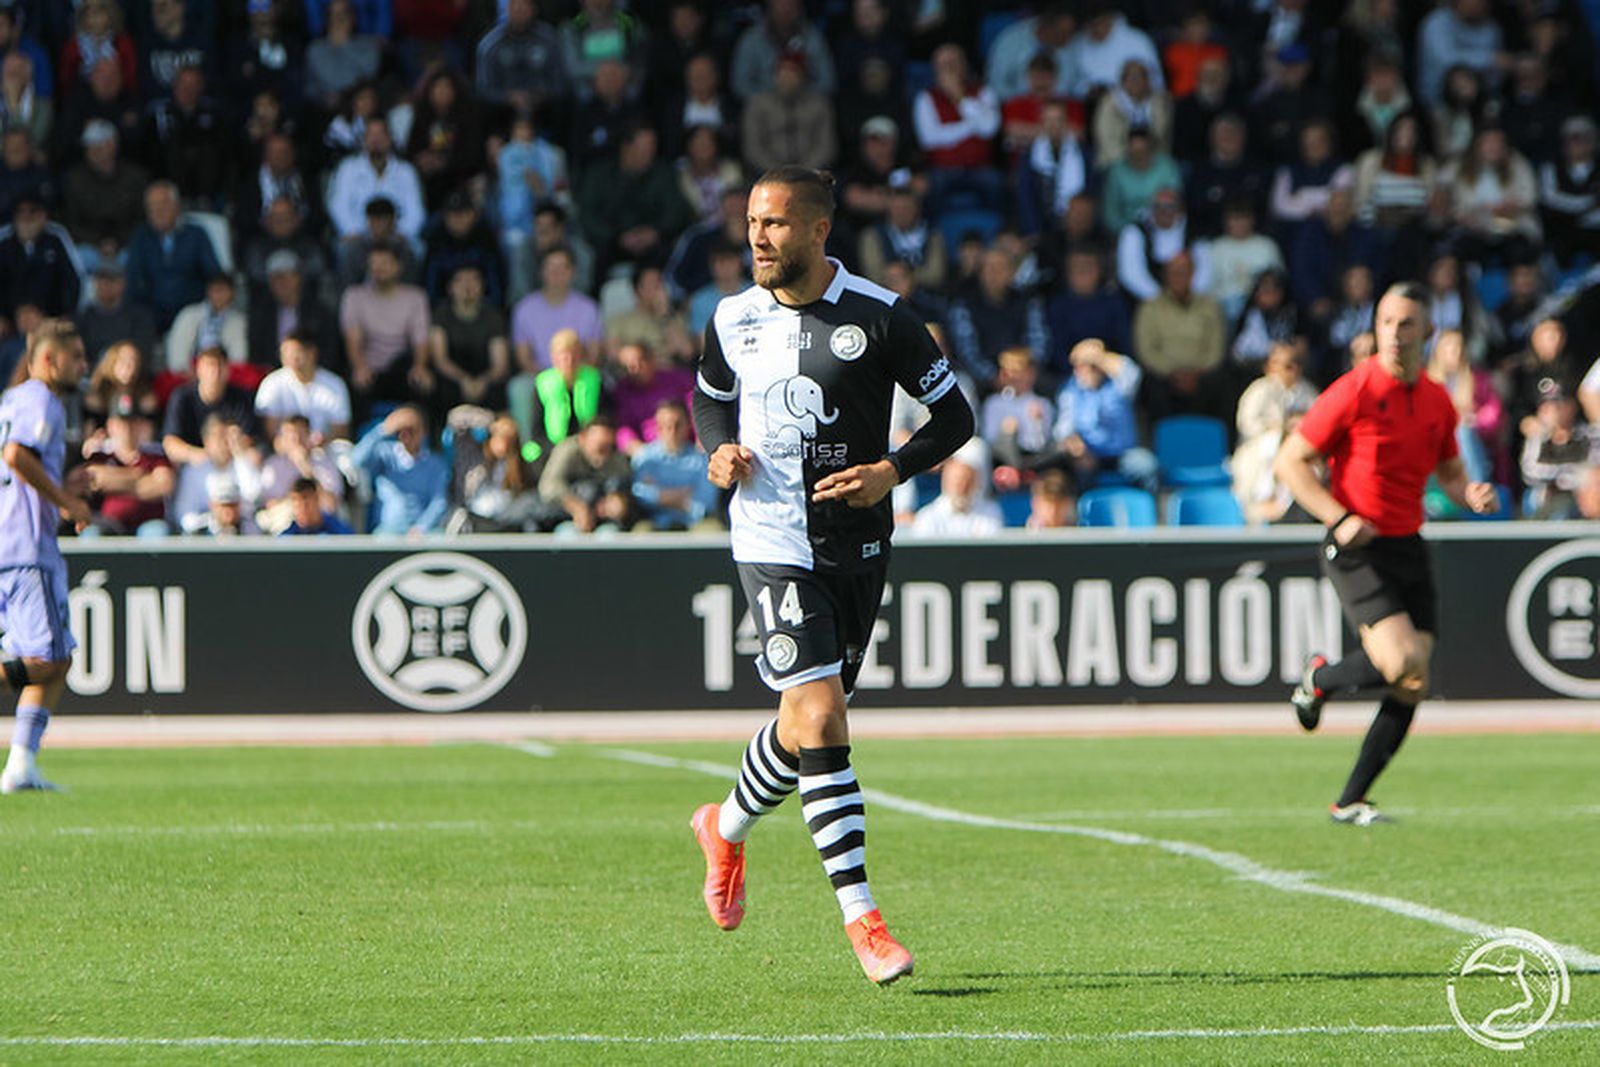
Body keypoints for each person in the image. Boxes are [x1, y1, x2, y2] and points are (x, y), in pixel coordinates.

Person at [688, 166, 973, 985]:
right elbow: (711, 395)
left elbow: (955, 416)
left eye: (775, 224)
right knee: (823, 713)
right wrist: (719, 447)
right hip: (770, 536)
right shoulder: (732, 316)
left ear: (818, 231)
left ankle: (725, 824)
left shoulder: (882, 317)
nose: (758, 238)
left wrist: (893, 470)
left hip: (857, 543)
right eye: (751, 222)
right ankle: (864, 920)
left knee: (804, 721)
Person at [1276, 282, 1498, 826]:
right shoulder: (1353, 390)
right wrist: (1338, 517)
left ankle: (1349, 800)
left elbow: (1447, 469)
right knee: (1400, 661)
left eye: (1406, 324)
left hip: (1407, 543)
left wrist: (1467, 490)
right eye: (1386, 322)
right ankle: (1317, 680)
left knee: (1414, 680)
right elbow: (1291, 462)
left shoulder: (1436, 401)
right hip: (1357, 546)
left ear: (1427, 332)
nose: (1395, 334)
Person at [0, 319, 90, 793]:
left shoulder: (12, 399)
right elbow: (16, 455)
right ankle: (19, 764)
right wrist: (66, 501)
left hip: (12, 540)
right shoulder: (41, 400)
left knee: (59, 657)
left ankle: (20, 764)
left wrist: (63, 486)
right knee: (47, 658)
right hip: (26, 546)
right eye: (76, 357)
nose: (84, 365)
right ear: (50, 360)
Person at [349, 405, 450, 535]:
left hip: (424, 531)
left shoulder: (436, 464)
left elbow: (439, 501)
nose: (406, 435)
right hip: (389, 529)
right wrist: (383, 429)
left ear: (423, 431)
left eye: (411, 429)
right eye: (401, 430)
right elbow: (356, 460)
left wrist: (421, 528)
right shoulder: (385, 454)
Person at [631, 398, 715, 530]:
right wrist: (679, 496)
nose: (672, 431)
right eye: (666, 426)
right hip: (655, 523)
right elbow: (639, 495)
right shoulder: (645, 458)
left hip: (693, 524)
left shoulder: (701, 461)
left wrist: (659, 495)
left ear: (688, 425)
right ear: (657, 427)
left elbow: (707, 502)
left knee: (713, 530)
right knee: (642, 531)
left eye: (677, 425)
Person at [254, 330, 351, 442]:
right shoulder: (271, 384)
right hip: (283, 453)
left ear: (312, 352)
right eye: (286, 351)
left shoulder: (335, 384)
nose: (291, 356)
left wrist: (322, 442)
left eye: (296, 351)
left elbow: (342, 431)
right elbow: (270, 433)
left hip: (325, 452)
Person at [906, 438, 1003, 537]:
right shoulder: (927, 517)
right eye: (955, 478)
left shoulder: (991, 514)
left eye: (966, 479)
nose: (960, 486)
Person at [281, 475, 353, 535]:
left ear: (317, 500)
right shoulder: (286, 538)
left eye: (306, 504)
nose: (302, 509)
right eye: (297, 506)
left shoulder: (339, 533)